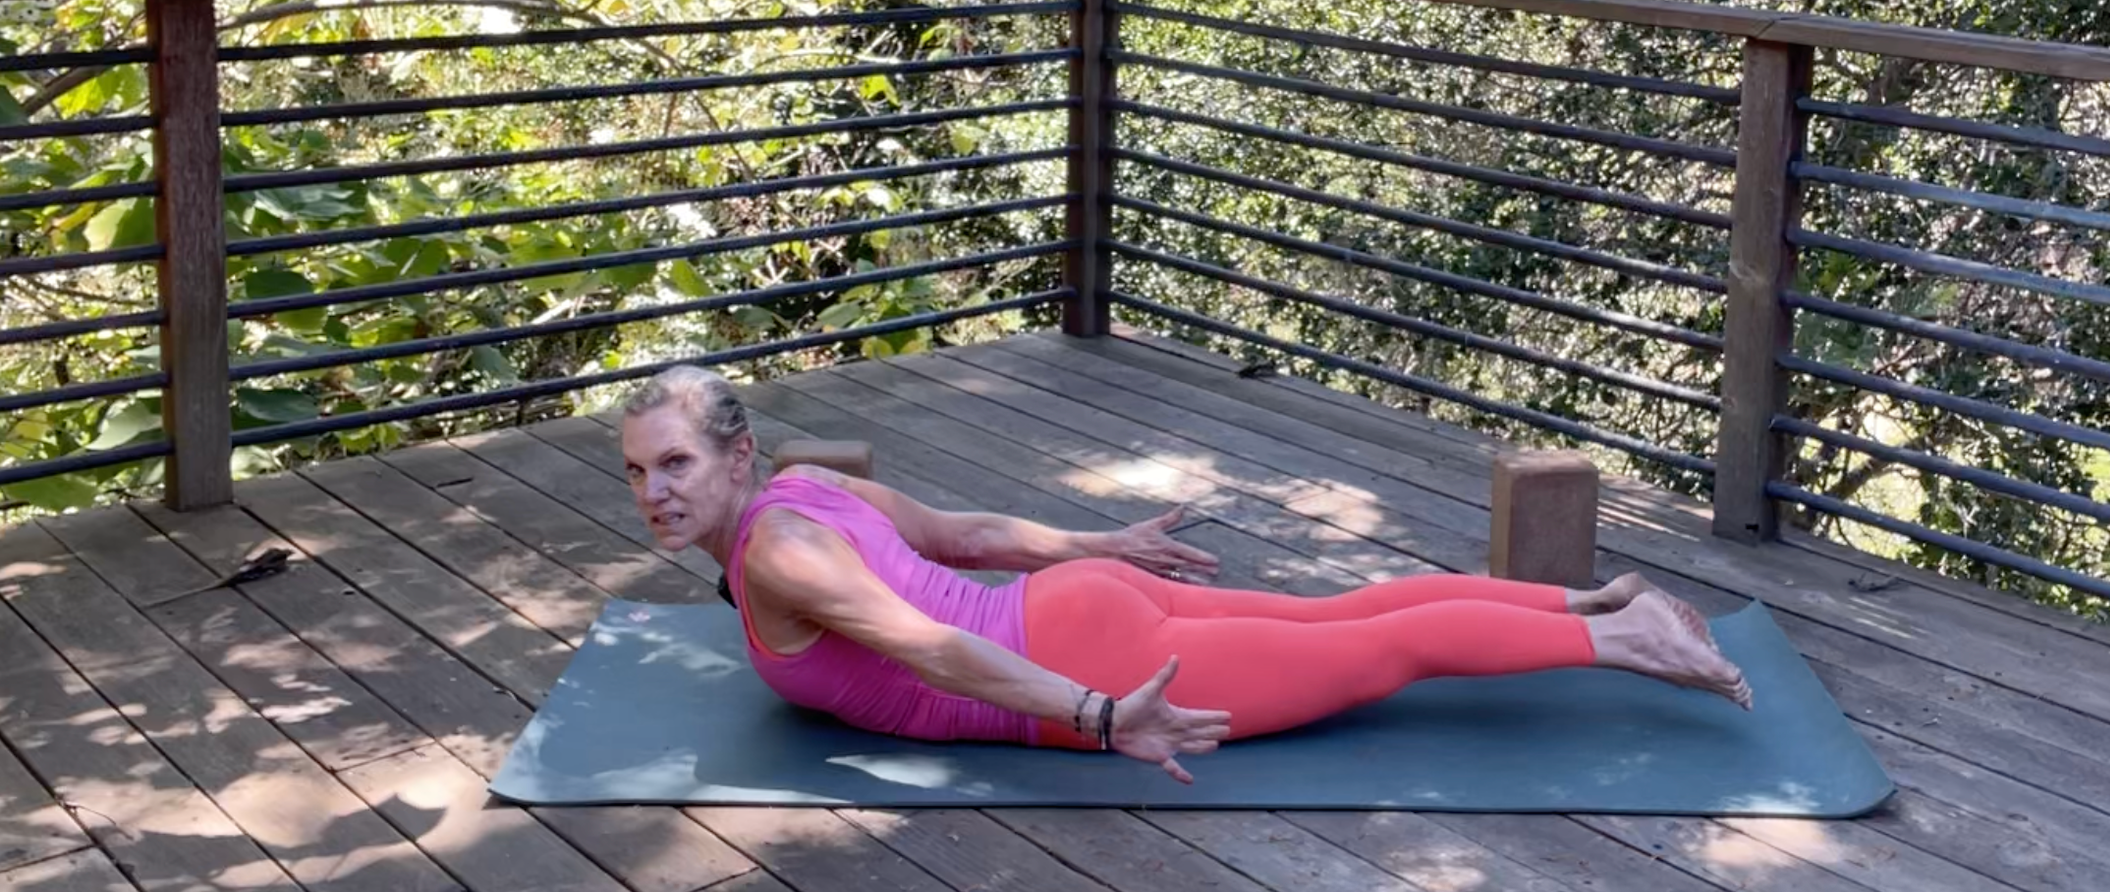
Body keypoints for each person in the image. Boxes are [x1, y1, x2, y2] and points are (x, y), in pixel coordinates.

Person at [619, 365, 1751, 785]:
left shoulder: (778, 549)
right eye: (637, 473)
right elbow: (963, 535)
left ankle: (1624, 638)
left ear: (738, 457)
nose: (656, 491)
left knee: (1377, 649)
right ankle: (1585, 599)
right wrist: (1096, 549)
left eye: (676, 463)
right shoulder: (814, 491)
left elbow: (934, 648)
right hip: (1074, 606)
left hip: (1078, 657)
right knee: (1347, 615)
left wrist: (1103, 717)